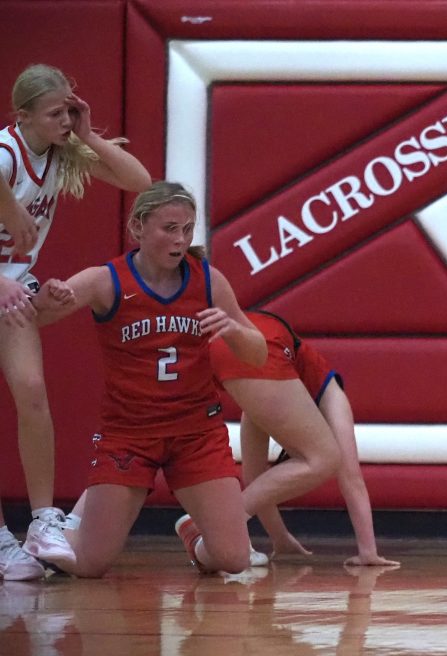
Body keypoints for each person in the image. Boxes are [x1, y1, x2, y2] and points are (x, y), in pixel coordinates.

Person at [32, 181, 266, 577]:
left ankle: (196, 536)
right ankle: (41, 541)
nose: (180, 239)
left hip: (196, 433)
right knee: (90, 565)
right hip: (129, 434)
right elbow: (37, 317)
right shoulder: (106, 280)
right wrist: (47, 297)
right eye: (169, 228)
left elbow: (257, 354)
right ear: (138, 227)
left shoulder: (208, 280)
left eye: (187, 229)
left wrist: (234, 330)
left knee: (233, 560)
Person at [0, 63, 151, 576]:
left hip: (12, 292)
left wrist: (87, 135)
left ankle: (43, 523)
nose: (65, 118)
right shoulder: (6, 153)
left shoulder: (61, 151)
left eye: (70, 107)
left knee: (33, 393)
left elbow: (140, 180)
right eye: (55, 112)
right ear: (22, 116)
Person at [207, 309, 398, 567]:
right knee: (325, 458)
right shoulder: (330, 393)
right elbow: (351, 478)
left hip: (224, 338)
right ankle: (214, 526)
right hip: (264, 340)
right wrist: (368, 551)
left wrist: (280, 537)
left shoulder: (277, 398)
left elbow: (255, 479)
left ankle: (214, 526)